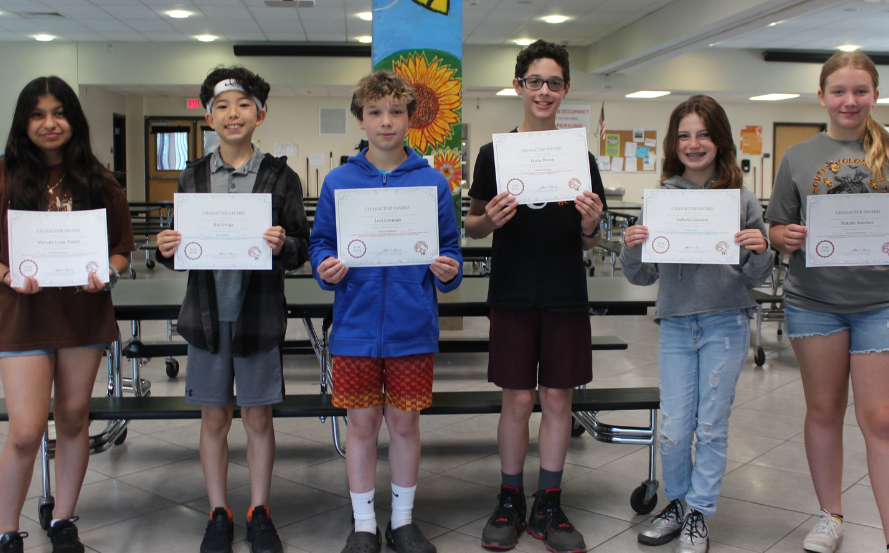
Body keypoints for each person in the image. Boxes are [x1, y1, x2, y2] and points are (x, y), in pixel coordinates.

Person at [155, 66, 309, 553]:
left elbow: (301, 249)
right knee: (214, 419)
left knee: (258, 419)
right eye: (221, 106)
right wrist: (167, 247)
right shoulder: (193, 175)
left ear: (259, 114)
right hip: (205, 318)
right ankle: (218, 511)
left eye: (243, 104)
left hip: (258, 315)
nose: (232, 113)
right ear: (208, 116)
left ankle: (259, 510)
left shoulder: (280, 176)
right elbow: (186, 252)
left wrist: (283, 243)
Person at [310, 70, 463, 553]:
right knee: (360, 425)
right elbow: (320, 244)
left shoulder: (432, 183)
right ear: (360, 118)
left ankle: (401, 520)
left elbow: (454, 253)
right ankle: (363, 524)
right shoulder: (339, 181)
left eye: (396, 112)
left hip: (411, 328)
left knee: (404, 424)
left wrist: (447, 270)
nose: (386, 122)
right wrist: (324, 267)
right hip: (354, 329)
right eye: (375, 112)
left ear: (410, 119)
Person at [464, 40, 607, 553]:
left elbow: (592, 236)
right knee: (518, 398)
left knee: (556, 398)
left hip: (566, 290)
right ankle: (509, 497)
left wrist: (592, 223)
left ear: (565, 88)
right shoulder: (493, 153)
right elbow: (474, 225)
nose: (543, 91)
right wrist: (489, 219)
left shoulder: (580, 156)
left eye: (553, 82)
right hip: (513, 289)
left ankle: (548, 501)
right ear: (519, 85)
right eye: (534, 81)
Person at [620, 95, 772, 553]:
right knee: (675, 428)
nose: (694, 143)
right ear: (674, 143)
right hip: (677, 327)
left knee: (711, 426)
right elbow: (641, 274)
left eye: (704, 134)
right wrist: (631, 245)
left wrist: (759, 248)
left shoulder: (741, 200)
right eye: (685, 135)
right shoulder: (662, 198)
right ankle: (678, 503)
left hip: (726, 323)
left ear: (720, 140)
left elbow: (756, 276)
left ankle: (699, 513)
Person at [0, 76, 136, 553]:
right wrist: (6, 273)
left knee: (75, 417)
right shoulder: (3, 175)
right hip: (23, 314)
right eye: (38, 114)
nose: (49, 123)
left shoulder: (100, 180)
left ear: (74, 120)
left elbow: (121, 249)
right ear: (24, 122)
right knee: (25, 430)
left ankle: (63, 521)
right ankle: (6, 531)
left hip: (83, 312)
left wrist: (109, 274)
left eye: (58, 113)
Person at [766, 51, 889, 553]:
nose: (849, 100)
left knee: (879, 417)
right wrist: (785, 236)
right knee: (824, 409)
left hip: (880, 302)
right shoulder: (798, 155)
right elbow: (774, 226)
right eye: (839, 91)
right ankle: (830, 516)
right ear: (822, 96)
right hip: (814, 301)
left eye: (860, 90)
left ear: (875, 95)